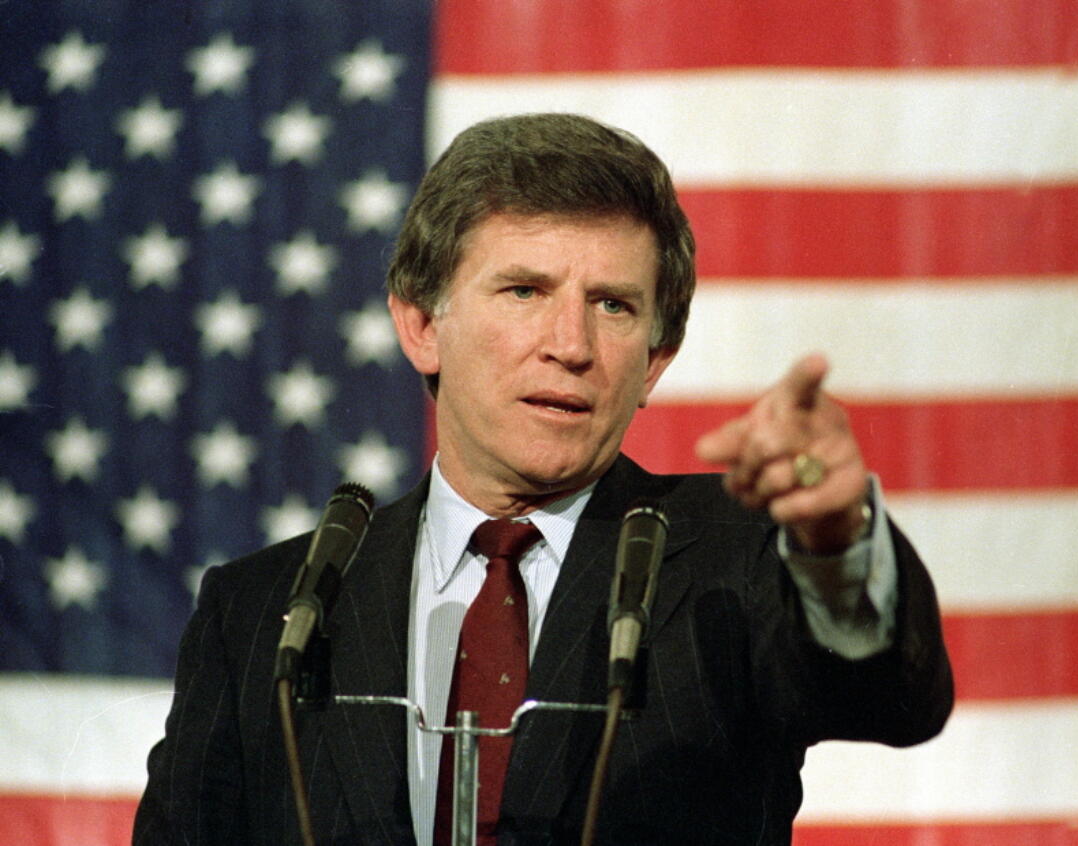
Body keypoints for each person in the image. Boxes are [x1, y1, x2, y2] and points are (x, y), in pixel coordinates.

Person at [134, 113, 953, 845]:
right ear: (421, 325)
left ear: (655, 363)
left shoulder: (738, 562)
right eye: (525, 290)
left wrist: (836, 541)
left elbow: (890, 699)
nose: (571, 343)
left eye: (614, 306)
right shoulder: (261, 612)